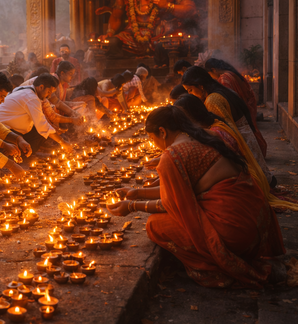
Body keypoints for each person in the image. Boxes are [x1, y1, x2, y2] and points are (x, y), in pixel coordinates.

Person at [108, 106, 285, 288]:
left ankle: (212, 265)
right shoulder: (207, 137)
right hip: (258, 226)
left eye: (152, 139)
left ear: (162, 132)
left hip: (235, 234)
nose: (154, 144)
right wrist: (137, 193)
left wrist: (131, 206)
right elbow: (180, 191)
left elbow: (173, 204)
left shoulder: (172, 156)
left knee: (154, 225)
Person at [174, 95, 298, 210]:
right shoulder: (215, 125)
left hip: (239, 186)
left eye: (181, 117)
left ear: (190, 115)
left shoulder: (215, 133)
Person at [181, 66, 274, 186]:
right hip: (247, 137)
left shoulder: (212, 100)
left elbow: (225, 132)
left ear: (200, 85)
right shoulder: (221, 90)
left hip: (242, 141)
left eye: (190, 90)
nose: (191, 94)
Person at [0, 73, 73, 154]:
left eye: (51, 93)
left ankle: (25, 154)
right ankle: (19, 158)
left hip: (7, 127)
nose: (49, 96)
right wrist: (62, 142)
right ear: (41, 87)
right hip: (2, 130)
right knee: (41, 133)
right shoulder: (31, 98)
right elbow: (42, 126)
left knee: (40, 133)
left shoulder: (26, 89)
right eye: (48, 92)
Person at [205, 58, 266, 156]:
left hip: (239, 109)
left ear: (213, 70)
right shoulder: (231, 73)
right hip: (246, 105)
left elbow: (228, 98)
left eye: (210, 74)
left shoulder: (225, 78)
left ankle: (252, 152)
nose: (212, 77)